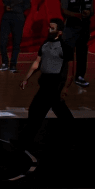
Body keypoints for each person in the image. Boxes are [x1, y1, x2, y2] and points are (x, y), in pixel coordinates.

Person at [19, 18, 76, 146]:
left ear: (59, 32)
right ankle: (74, 134)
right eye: (49, 27)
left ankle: (23, 141)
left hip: (54, 85)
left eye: (52, 28)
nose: (49, 29)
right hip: (44, 83)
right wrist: (26, 78)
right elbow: (37, 63)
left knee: (36, 112)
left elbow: (70, 71)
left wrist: (65, 88)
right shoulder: (45, 44)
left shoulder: (65, 47)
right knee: (60, 111)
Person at [60, 0, 93, 87]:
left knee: (82, 53)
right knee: (66, 54)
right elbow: (64, 11)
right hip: (71, 27)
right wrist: (77, 15)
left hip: (84, 27)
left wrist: (88, 12)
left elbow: (92, 10)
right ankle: (61, 76)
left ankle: (80, 76)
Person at [0, 0, 33, 73]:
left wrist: (16, 9)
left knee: (16, 42)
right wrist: (7, 7)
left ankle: (13, 64)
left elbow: (27, 5)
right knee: (3, 41)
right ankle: (5, 63)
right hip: (6, 17)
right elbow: (4, 1)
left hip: (18, 17)